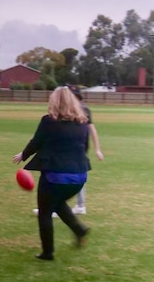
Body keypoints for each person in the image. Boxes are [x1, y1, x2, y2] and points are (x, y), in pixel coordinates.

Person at [14, 87, 91, 260]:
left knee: (45, 212)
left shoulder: (49, 121)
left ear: (54, 101)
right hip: (79, 177)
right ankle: (80, 230)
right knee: (57, 203)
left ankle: (47, 253)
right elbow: (85, 148)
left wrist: (23, 155)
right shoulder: (82, 122)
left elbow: (36, 142)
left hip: (56, 177)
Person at [32, 86, 103, 216]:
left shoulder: (84, 110)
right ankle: (56, 206)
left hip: (77, 149)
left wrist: (98, 149)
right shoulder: (62, 111)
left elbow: (92, 129)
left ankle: (71, 205)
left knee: (70, 175)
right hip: (68, 149)